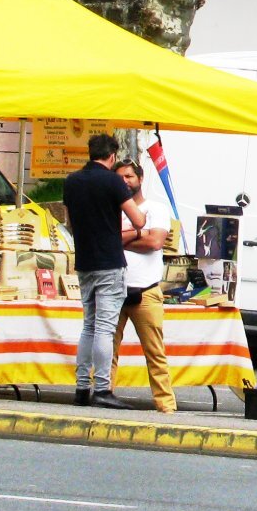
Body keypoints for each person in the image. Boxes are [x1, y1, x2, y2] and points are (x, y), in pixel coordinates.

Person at [63, 132, 145, 408]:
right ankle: (102, 389)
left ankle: (81, 388)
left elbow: (69, 221)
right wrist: (140, 219)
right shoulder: (113, 181)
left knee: (88, 325)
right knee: (104, 329)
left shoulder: (72, 182)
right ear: (111, 156)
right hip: (109, 262)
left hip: (84, 262)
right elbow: (137, 219)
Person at [114, 158, 175, 414]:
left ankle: (166, 405)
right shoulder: (112, 209)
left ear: (140, 178)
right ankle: (102, 394)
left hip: (147, 291)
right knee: (106, 350)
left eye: (129, 176)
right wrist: (141, 233)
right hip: (114, 289)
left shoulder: (156, 208)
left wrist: (123, 238)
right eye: (119, 178)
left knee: (155, 353)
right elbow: (109, 239)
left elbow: (155, 243)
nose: (124, 182)